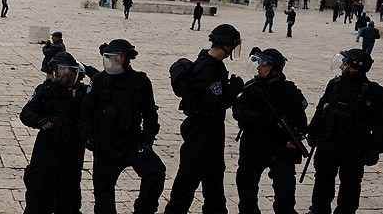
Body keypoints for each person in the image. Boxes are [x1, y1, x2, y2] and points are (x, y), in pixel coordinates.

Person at [164, 24, 245, 214]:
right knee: (188, 178)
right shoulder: (207, 69)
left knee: (214, 177)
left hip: (212, 130)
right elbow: (217, 102)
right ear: (226, 46)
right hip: (202, 129)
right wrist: (234, 88)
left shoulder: (213, 65)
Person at [82, 39, 166, 214]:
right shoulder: (98, 81)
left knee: (156, 172)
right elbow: (86, 111)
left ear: (128, 58)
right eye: (111, 57)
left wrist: (147, 140)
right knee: (103, 193)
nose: (114, 61)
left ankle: (144, 208)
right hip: (106, 145)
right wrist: (88, 137)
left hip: (132, 142)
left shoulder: (140, 82)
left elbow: (150, 113)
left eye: (118, 57)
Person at [306, 49, 383, 214]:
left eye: (346, 63)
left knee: (350, 184)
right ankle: (319, 209)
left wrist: (374, 149)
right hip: (328, 142)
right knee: (323, 180)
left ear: (356, 66)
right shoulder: (335, 84)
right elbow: (322, 109)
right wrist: (312, 131)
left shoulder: (374, 92)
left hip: (354, 147)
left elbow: (380, 125)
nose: (342, 66)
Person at [232, 48, 308, 214]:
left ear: (275, 68)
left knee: (285, 190)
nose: (259, 67)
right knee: (246, 187)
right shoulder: (251, 88)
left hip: (279, 147)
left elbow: (300, 120)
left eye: (264, 64)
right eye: (259, 63)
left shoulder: (290, 91)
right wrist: (266, 118)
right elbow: (238, 112)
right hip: (253, 145)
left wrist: (295, 135)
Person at [21, 51, 86, 213]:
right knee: (38, 190)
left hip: (71, 150)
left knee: (68, 196)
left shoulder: (82, 93)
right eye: (62, 69)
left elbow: (101, 83)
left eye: (70, 70)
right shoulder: (45, 90)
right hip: (47, 148)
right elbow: (26, 113)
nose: (66, 73)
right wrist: (41, 121)